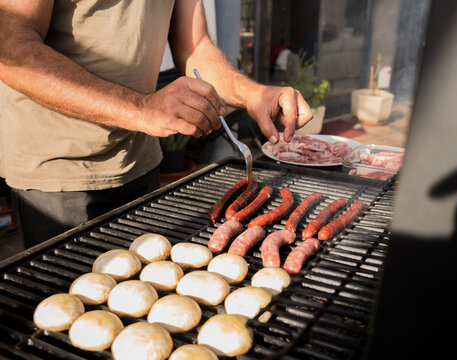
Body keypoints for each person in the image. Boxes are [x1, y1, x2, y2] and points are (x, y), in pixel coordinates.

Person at [0, 0, 312, 249]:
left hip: (141, 162)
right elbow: (11, 47)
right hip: (58, 173)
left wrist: (253, 93)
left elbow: (196, 47)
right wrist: (141, 108)